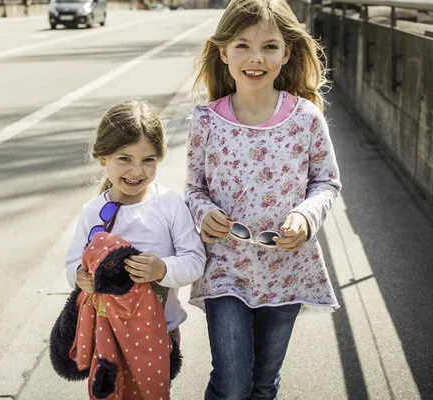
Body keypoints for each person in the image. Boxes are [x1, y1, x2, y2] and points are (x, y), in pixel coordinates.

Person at [184, 0, 342, 399]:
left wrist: (306, 217)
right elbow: (193, 189)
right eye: (242, 46)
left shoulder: (305, 118)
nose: (256, 58)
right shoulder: (205, 120)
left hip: (286, 271)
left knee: (263, 384)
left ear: (286, 53)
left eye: (269, 47)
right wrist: (204, 213)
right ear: (223, 52)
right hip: (225, 269)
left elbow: (326, 182)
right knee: (232, 384)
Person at [65, 98, 207, 371]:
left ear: (159, 158)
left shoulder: (170, 205)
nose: (137, 171)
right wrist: (79, 276)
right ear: (103, 157)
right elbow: (73, 261)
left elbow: (195, 260)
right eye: (124, 159)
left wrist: (162, 268)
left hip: (160, 328)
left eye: (148, 160)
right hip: (105, 329)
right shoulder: (93, 211)